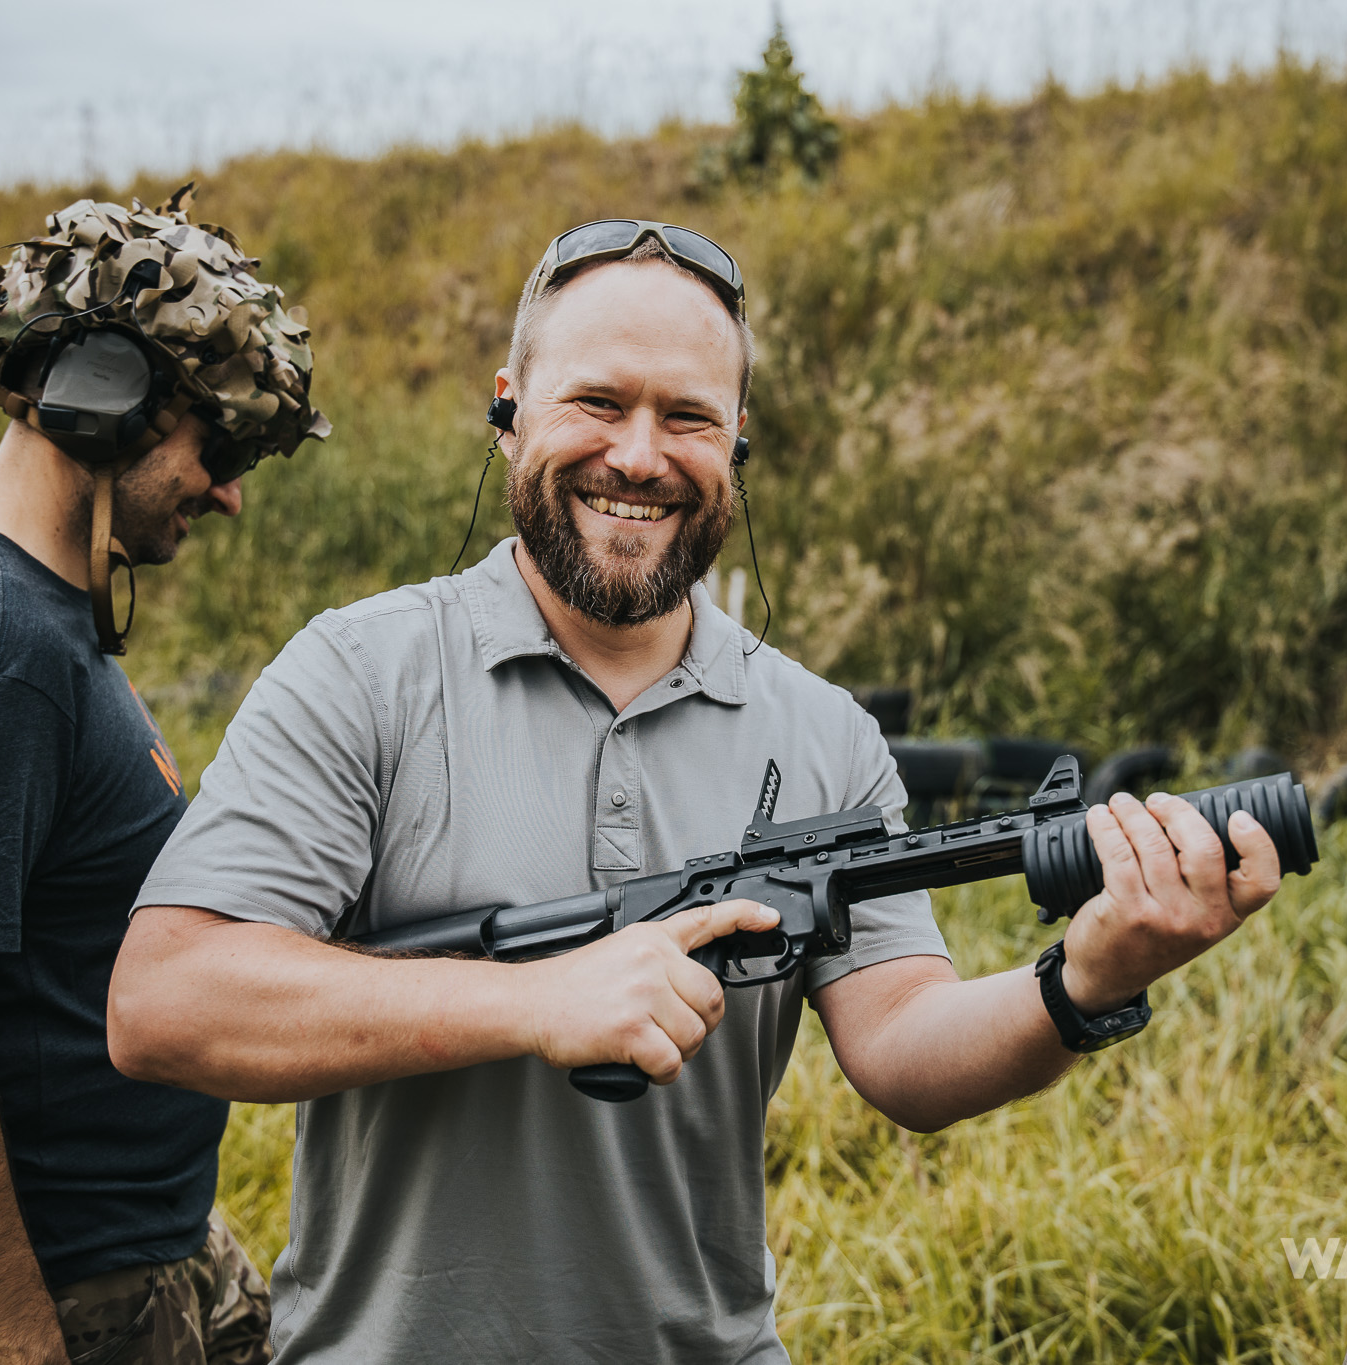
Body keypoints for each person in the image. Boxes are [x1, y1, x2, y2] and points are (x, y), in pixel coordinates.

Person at [109, 220, 1280, 1363]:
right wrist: (535, 1004)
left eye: (686, 418)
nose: (639, 455)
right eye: (597, 404)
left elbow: (906, 1052)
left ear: (736, 447)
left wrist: (1087, 979)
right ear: (509, 411)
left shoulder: (821, 731)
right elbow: (166, 1004)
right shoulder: (360, 673)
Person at [0, 186, 328, 1365]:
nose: (232, 494)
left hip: (127, 1246)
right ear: (110, 402)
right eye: (221, 447)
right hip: (33, 1293)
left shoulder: (40, 615)